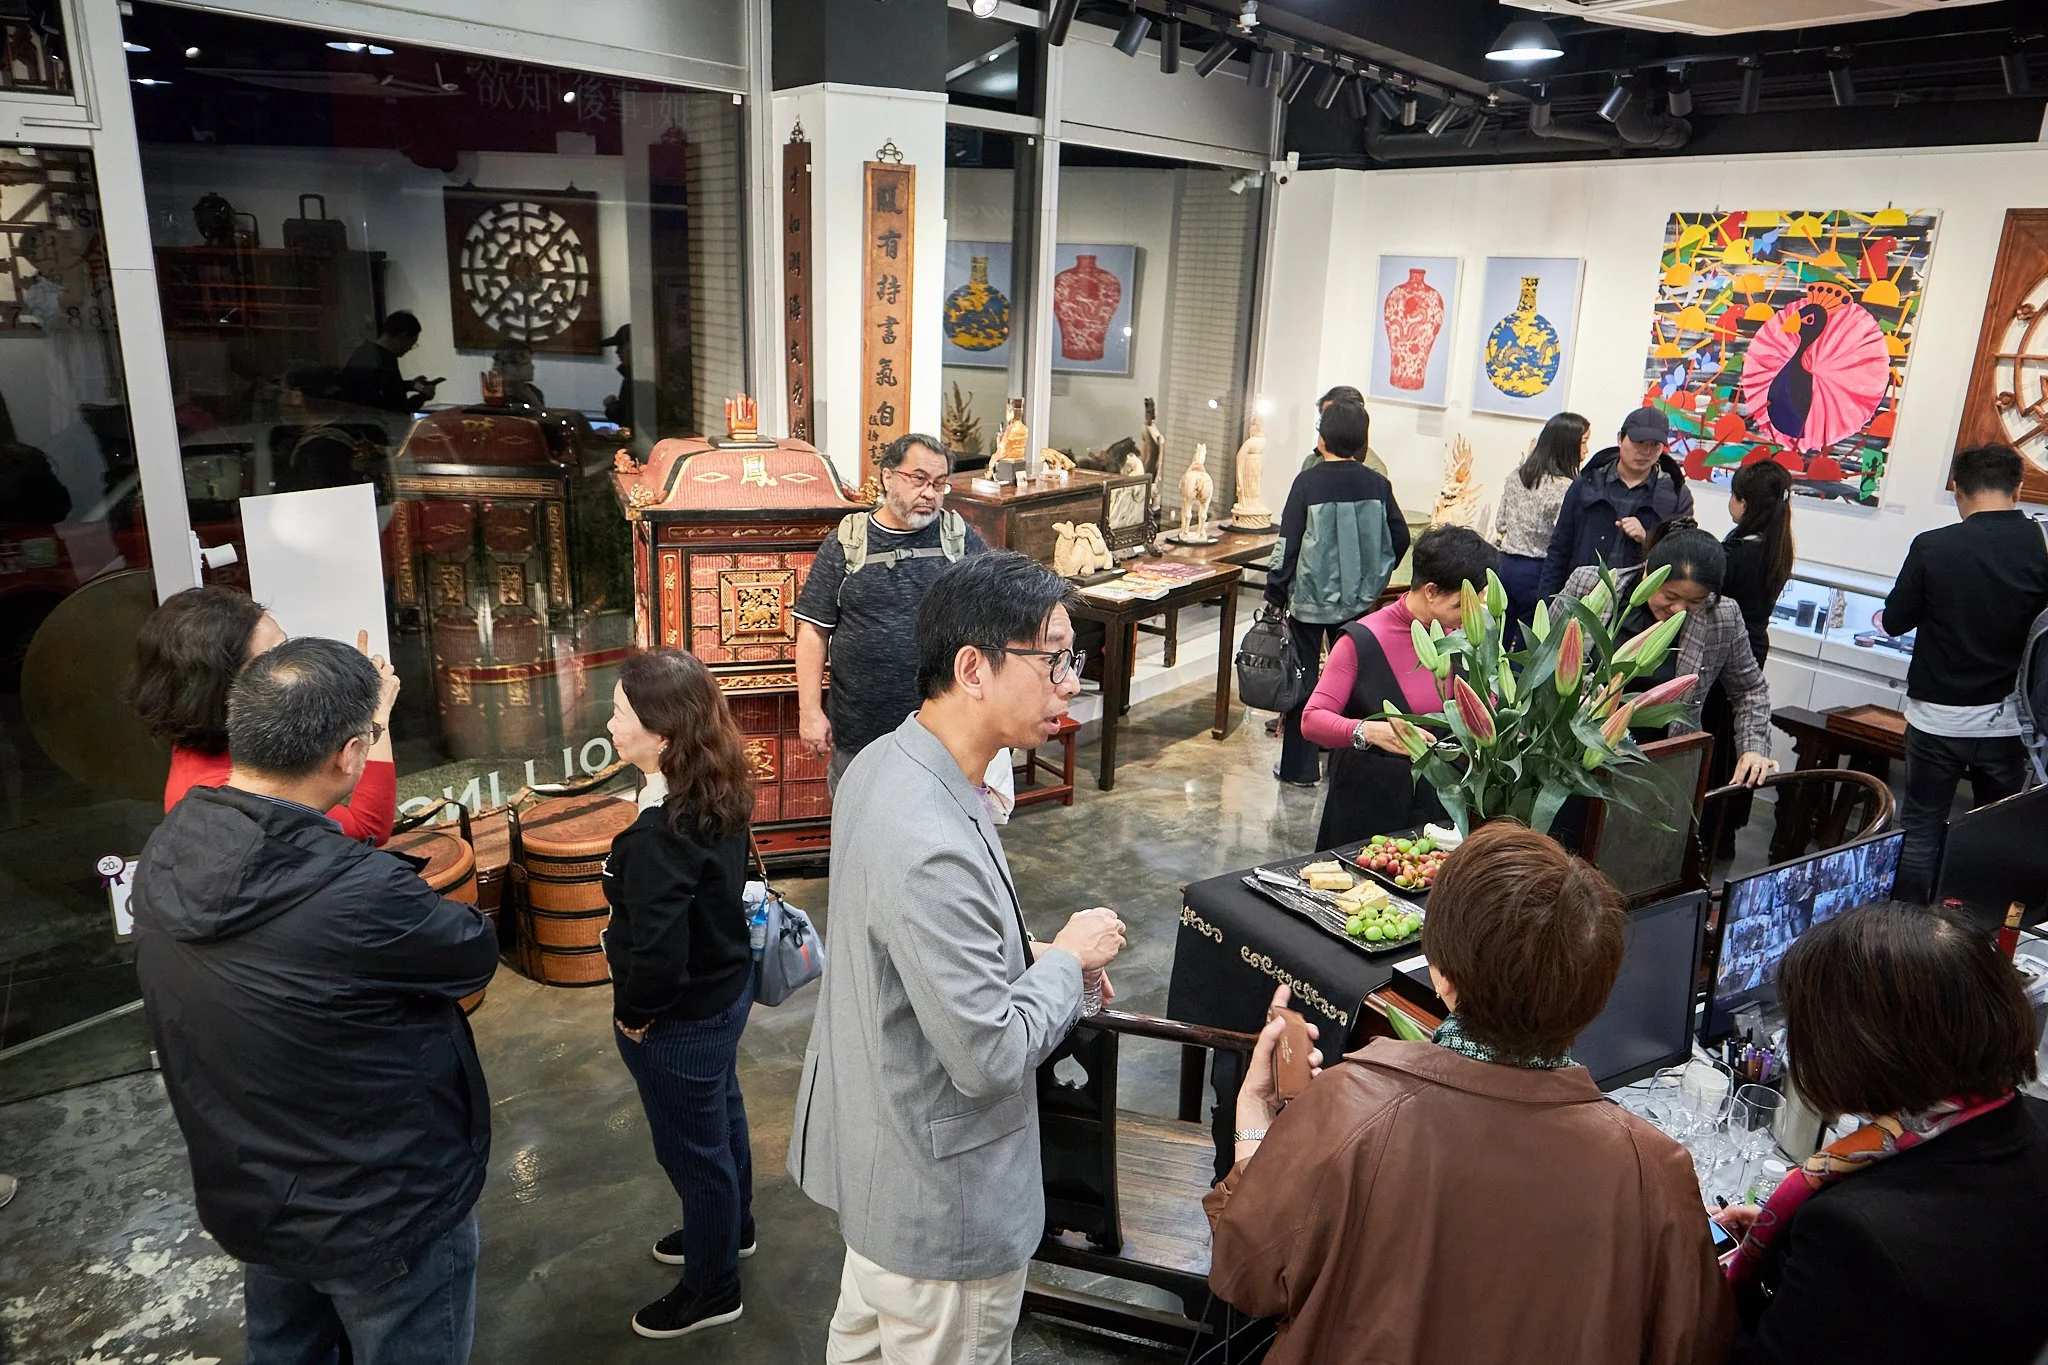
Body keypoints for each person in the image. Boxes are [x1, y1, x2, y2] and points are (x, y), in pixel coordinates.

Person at [1206, 823, 1733, 1365]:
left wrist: (1253, 1123)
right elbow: (1694, 1342)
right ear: (1594, 999)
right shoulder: (1656, 1169)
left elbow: (1245, 1273)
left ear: (1440, 974)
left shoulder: (1349, 1111)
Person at [790, 550, 1127, 1365]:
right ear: (972, 667)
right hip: (945, 1209)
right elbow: (988, 1054)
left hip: (879, 1166)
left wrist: (1029, 952)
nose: (1071, 681)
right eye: (1054, 657)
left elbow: (908, 950)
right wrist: (1065, 961)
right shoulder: (933, 838)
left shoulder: (884, 763)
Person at [131, 638, 498, 1365]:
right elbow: (470, 949)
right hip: (379, 1210)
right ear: (350, 753)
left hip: (255, 1192)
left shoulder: (171, 845)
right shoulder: (361, 893)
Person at [1715, 901, 2048, 1364]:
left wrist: (1692, 1291)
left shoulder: (1857, 1237)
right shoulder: (2030, 1119)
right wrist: (1791, 1252)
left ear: (1858, 1048)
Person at [603, 649, 759, 1340]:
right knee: (722, 1117)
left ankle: (712, 1284)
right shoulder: (717, 783)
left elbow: (657, 956)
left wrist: (635, 1014)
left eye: (620, 712)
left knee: (693, 1152)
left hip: (681, 1018)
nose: (610, 723)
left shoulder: (657, 836)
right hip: (725, 991)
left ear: (662, 732)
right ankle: (731, 1230)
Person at [1879, 443, 2048, 902]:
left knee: (1920, 832)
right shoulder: (2042, 546)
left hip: (1936, 718)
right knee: (1993, 837)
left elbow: (1894, 620)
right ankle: (1976, 941)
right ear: (2017, 489)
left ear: (1958, 488)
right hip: (2011, 721)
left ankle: (1905, 939)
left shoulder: (1934, 546)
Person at [793, 432, 988, 790]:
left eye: (940, 484)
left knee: (935, 835)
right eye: (919, 480)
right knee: (859, 834)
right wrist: (810, 711)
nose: (930, 493)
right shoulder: (847, 543)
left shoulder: (958, 539)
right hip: (859, 733)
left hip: (944, 735)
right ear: (887, 476)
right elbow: (812, 630)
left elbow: (994, 618)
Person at [132, 585, 400, 844]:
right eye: (269, 660)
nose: (291, 666)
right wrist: (375, 715)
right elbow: (367, 827)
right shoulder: (232, 792)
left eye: (286, 646)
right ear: (222, 688)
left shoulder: (204, 730)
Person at [1300, 524, 1496, 848]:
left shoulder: (1466, 637)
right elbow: (1312, 719)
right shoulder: (1361, 640)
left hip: (1440, 811)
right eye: (1460, 606)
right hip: (1367, 808)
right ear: (1431, 591)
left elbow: (1485, 708)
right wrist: (1371, 731)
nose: (1467, 617)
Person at [1558, 521, 1779, 787]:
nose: (1679, 610)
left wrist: (1753, 748)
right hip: (1569, 754)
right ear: (1648, 573)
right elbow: (1546, 658)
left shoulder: (1721, 616)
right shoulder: (1593, 585)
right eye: (1670, 595)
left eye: (1695, 601)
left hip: (1658, 766)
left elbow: (1750, 689)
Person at [1265, 401, 1409, 787]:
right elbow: (1401, 536)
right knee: (1355, 683)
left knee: (1305, 682)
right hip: (1360, 606)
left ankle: (1299, 769)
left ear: (1322, 437)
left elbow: (1287, 544)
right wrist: (1375, 577)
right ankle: (1346, 766)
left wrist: (1275, 593)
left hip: (1310, 604)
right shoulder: (1377, 484)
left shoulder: (1308, 483)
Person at [1539, 407, 1695, 598]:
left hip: (1635, 607)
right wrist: (1546, 603)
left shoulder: (1676, 495)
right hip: (1581, 597)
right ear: (1620, 438)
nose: (1646, 452)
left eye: (1655, 445)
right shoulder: (1587, 483)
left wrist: (1647, 538)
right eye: (1639, 442)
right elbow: (1559, 548)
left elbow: (1682, 558)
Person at [1494, 411, 1590, 642]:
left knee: (1497, 640)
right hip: (1539, 572)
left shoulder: (1515, 476)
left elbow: (1500, 523)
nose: (1586, 450)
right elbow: (1563, 539)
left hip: (1505, 566)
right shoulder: (1566, 487)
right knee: (1529, 646)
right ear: (1567, 444)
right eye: (1584, 442)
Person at [341, 310, 439, 416]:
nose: (410, 348)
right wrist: (423, 396)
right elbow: (399, 409)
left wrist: (411, 385)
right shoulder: (386, 362)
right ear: (403, 336)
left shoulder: (362, 351)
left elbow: (379, 389)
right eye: (412, 343)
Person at [1295, 385, 1390, 477]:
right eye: (1324, 420)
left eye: (1333, 419)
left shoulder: (1373, 471)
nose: (1326, 427)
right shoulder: (1311, 462)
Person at [492, 343, 546, 409]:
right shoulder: (495, 394)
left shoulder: (535, 392)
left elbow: (542, 414)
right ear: (510, 367)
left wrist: (529, 395)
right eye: (528, 362)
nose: (532, 366)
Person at [601, 324, 634, 429]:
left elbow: (629, 420)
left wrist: (612, 406)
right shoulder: (630, 377)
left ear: (631, 347)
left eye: (620, 346)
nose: (617, 352)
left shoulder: (635, 380)